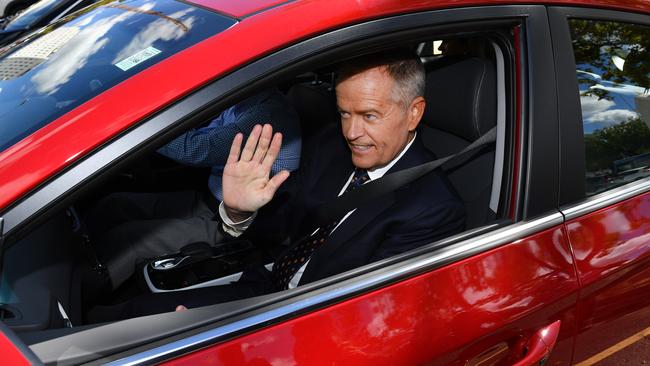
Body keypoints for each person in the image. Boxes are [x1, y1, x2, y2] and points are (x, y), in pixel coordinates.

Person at [97, 51, 465, 320]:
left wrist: (224, 333)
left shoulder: (432, 209)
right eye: (344, 113)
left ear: (413, 112)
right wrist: (239, 211)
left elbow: (368, 318)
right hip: (262, 282)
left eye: (369, 116)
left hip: (294, 318)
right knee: (132, 314)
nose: (352, 133)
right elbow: (284, 229)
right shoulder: (329, 148)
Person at [84, 88, 302, 291]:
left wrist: (140, 124)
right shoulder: (245, 99)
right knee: (113, 206)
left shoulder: (268, 114)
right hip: (211, 201)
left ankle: (85, 291)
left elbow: (197, 149)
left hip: (238, 222)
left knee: (127, 242)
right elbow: (208, 134)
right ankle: (80, 255)